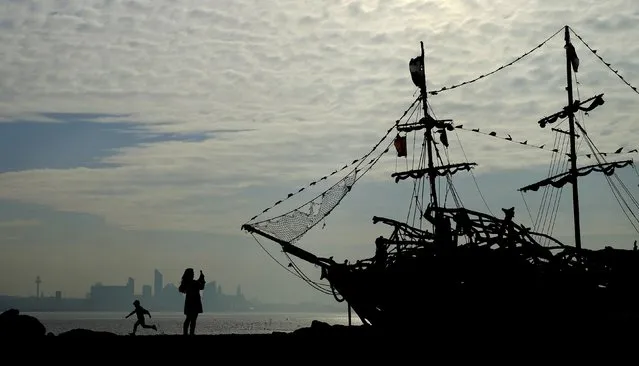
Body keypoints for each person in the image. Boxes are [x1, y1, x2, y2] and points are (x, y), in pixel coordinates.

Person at [178, 268, 205, 335]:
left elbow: (182, 289)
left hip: (189, 303)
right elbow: (201, 287)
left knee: (188, 319)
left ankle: (185, 333)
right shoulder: (194, 283)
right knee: (193, 320)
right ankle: (191, 333)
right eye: (192, 273)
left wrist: (200, 278)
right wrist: (202, 279)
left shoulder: (186, 283)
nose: (193, 274)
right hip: (195, 303)